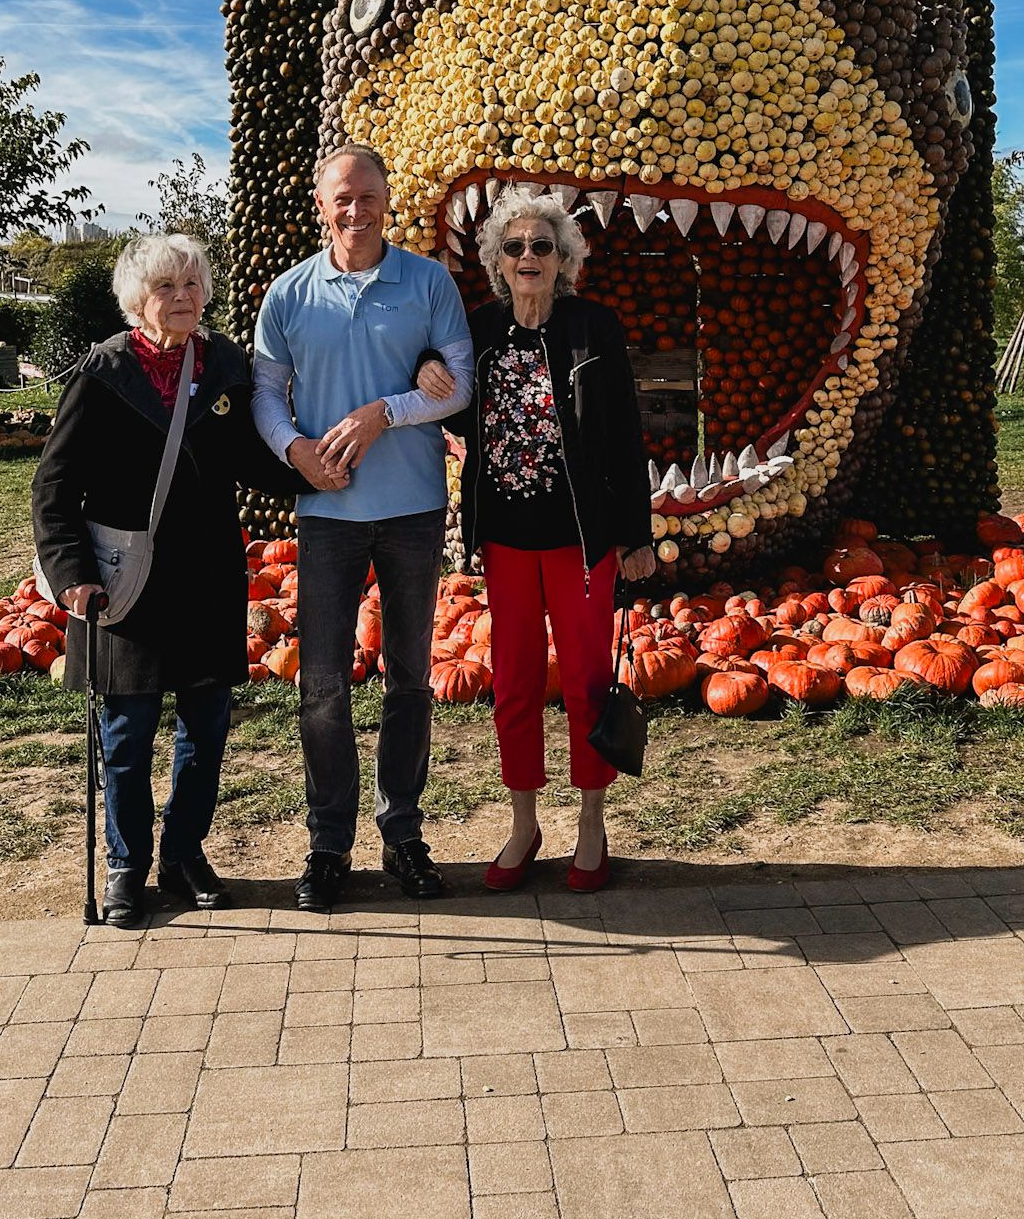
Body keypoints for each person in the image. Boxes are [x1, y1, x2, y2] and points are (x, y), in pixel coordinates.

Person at [32, 232, 296, 927]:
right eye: (165, 287)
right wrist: (71, 572)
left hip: (207, 576)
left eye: (192, 284)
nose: (183, 297)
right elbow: (53, 486)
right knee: (127, 734)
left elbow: (252, 458)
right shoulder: (103, 372)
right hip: (127, 581)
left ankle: (183, 856)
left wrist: (319, 466)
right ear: (136, 300)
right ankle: (126, 866)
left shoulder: (225, 365)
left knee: (206, 729)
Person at [251, 143, 474, 911]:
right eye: (342, 197)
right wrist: (295, 450)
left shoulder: (429, 282)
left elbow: (459, 384)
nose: (356, 210)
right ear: (321, 205)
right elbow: (265, 392)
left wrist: (387, 412)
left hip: (412, 510)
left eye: (368, 196)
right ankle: (328, 844)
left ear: (387, 200)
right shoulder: (288, 294)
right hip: (328, 515)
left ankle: (402, 835)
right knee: (321, 685)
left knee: (409, 679)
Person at [419, 189, 653, 893]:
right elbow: (443, 388)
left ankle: (591, 824)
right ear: (497, 261)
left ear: (563, 260)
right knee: (514, 684)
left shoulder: (593, 328)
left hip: (581, 541)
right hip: (507, 541)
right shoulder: (480, 329)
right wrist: (423, 365)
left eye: (542, 246)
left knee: (586, 683)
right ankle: (524, 823)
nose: (529, 257)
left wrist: (634, 534)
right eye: (515, 247)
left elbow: (624, 435)